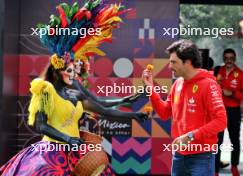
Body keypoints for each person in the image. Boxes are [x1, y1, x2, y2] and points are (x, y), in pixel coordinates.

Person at [0, 1, 148, 175]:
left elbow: (101, 108)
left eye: (74, 70)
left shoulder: (75, 93)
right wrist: (67, 138)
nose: (73, 74)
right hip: (51, 151)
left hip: (76, 151)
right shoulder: (45, 90)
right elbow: (41, 125)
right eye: (69, 70)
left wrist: (132, 112)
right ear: (57, 71)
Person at [142, 39, 227, 176]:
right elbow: (164, 113)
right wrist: (151, 88)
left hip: (201, 157)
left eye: (173, 62)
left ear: (187, 62)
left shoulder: (209, 85)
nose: (169, 66)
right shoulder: (178, 84)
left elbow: (221, 122)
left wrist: (190, 136)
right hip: (179, 156)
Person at [215, 48, 243, 176]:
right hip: (218, 110)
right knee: (216, 140)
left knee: (234, 140)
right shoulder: (217, 71)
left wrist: (233, 93)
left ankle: (234, 167)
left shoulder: (241, 74)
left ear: (234, 59)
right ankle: (215, 169)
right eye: (226, 58)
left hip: (233, 111)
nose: (229, 60)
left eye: (231, 58)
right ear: (223, 59)